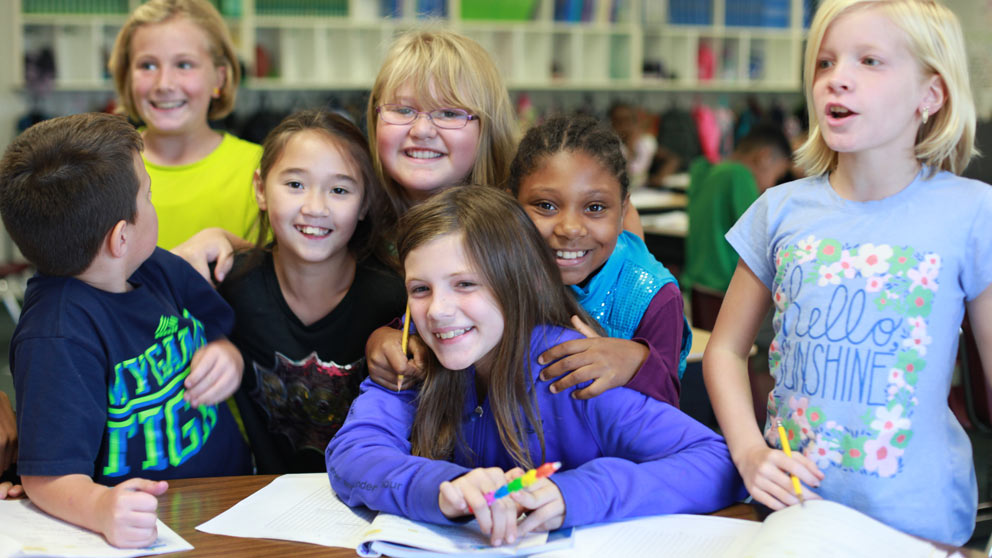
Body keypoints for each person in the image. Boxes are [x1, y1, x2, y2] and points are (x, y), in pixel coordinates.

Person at [702, 0, 992, 546]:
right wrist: (748, 452)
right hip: (796, 513)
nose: (838, 80)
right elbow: (723, 350)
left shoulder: (974, 214)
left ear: (931, 95)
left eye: (870, 62)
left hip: (920, 523)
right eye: (826, 63)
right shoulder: (779, 210)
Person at [326, 186, 745, 546]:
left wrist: (574, 494)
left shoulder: (570, 364)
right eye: (420, 289)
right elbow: (351, 453)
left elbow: (717, 461)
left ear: (515, 284)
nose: (437, 311)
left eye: (465, 284)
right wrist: (439, 488)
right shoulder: (414, 354)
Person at [0, 113, 250, 548]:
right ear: (120, 237)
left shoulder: (153, 265)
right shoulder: (56, 338)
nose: (153, 204)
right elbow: (46, 476)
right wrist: (100, 508)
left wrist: (227, 354)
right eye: (148, 196)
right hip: (153, 527)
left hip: (236, 497)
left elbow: (215, 326)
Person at [364, 29, 643, 390]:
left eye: (449, 112)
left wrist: (638, 355)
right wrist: (381, 338)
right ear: (374, 119)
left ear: (487, 126)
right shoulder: (353, 215)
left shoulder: (535, 219)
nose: (421, 129)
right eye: (402, 110)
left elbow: (635, 315)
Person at [217, 109, 406, 473]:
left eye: (338, 190)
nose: (314, 208)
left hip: (370, 498)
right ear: (260, 189)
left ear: (365, 203)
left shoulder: (394, 299)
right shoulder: (232, 288)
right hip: (264, 502)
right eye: (295, 185)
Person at [507, 115, 690, 404]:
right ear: (511, 205)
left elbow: (667, 405)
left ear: (623, 211)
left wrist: (637, 362)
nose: (570, 228)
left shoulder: (653, 296)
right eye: (546, 205)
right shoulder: (492, 271)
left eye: (594, 207)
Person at [108, 0, 262, 250]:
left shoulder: (261, 171)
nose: (164, 84)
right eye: (147, 65)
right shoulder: (100, 170)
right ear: (127, 77)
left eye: (184, 65)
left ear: (219, 78)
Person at [682, 124, 793, 293]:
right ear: (765, 157)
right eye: (777, 176)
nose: (771, 185)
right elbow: (762, 241)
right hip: (724, 290)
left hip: (697, 291)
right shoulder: (739, 175)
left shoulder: (703, 169)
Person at [608, 102, 658, 190]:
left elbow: (672, 159)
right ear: (611, 124)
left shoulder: (644, 142)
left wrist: (657, 178)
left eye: (627, 121)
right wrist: (630, 148)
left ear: (634, 122)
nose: (624, 126)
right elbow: (626, 178)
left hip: (643, 193)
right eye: (619, 122)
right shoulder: (608, 146)